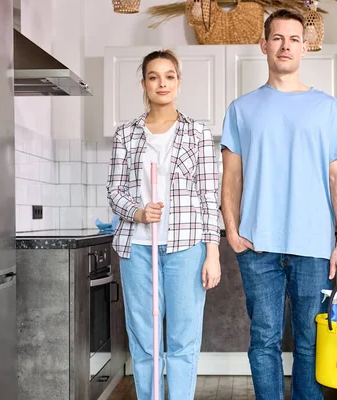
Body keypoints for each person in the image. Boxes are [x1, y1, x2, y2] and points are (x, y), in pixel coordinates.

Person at [220, 9, 337, 400]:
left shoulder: (328, 108)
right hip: (257, 246)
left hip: (313, 249)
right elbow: (231, 177)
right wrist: (232, 229)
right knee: (263, 342)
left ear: (305, 47)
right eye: (277, 38)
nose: (285, 46)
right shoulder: (241, 109)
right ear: (264, 45)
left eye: (294, 39)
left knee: (310, 344)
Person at [106, 49, 221, 400]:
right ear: (144, 83)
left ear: (179, 82)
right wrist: (138, 212)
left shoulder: (198, 134)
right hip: (137, 248)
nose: (162, 83)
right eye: (154, 76)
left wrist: (212, 252)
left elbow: (208, 195)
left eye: (169, 76)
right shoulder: (126, 134)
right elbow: (114, 190)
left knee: (183, 338)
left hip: (186, 247)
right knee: (144, 338)